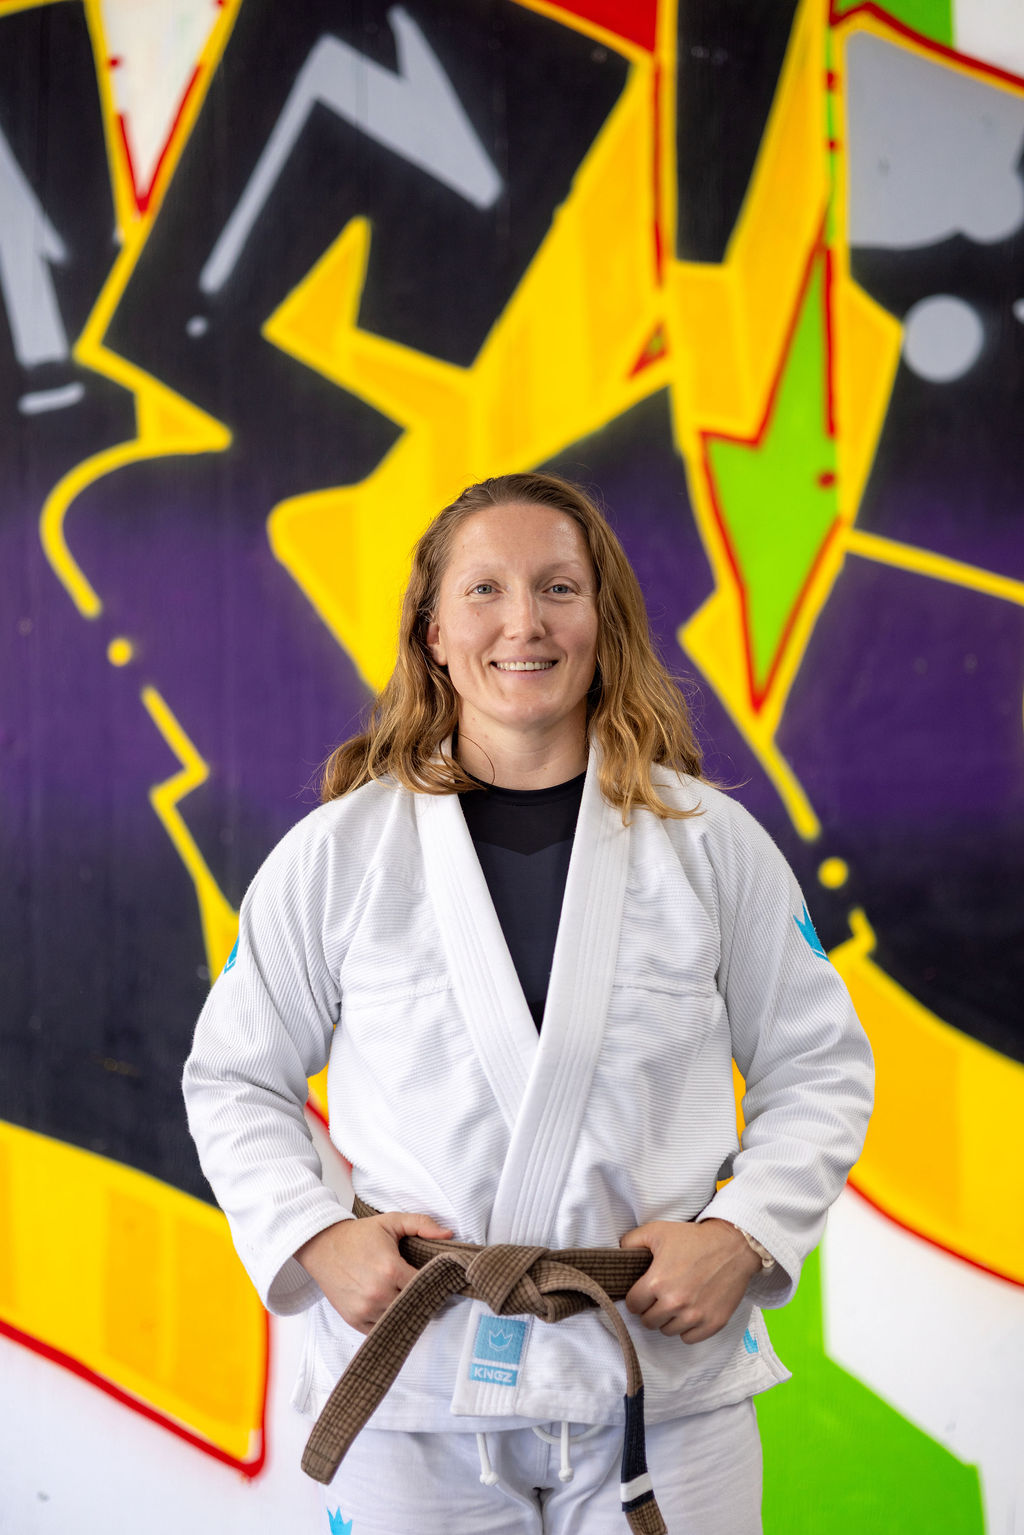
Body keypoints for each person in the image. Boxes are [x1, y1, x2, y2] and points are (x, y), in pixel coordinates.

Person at [183, 472, 873, 1535]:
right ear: (433, 630)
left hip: (656, 1377)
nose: (524, 622)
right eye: (484, 590)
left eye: (559, 587)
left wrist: (744, 1231)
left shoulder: (708, 844)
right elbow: (235, 1075)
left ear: (603, 620)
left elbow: (819, 1063)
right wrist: (312, 1232)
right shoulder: (340, 853)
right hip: (417, 1372)